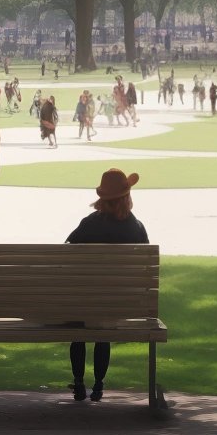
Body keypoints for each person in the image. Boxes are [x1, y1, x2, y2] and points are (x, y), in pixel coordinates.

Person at [65, 169, 149, 402]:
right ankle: (99, 385)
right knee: (103, 331)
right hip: (119, 303)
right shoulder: (136, 227)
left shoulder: (88, 224)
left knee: (79, 331)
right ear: (127, 197)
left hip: (84, 302)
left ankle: (79, 382)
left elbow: (67, 256)